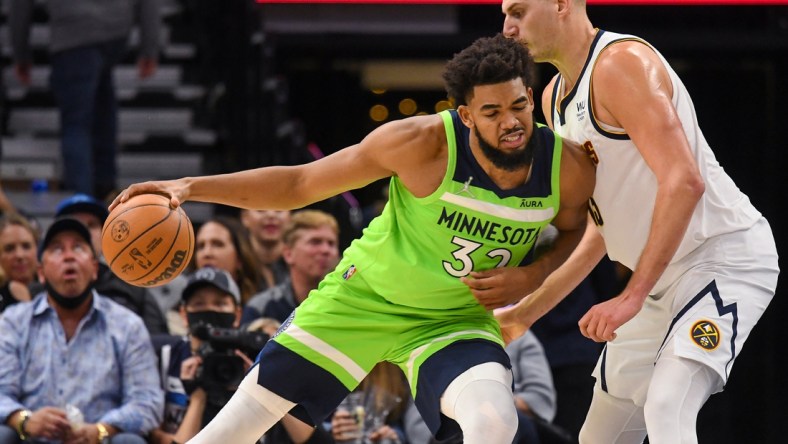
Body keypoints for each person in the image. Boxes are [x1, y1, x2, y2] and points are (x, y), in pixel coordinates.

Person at [111, 34, 596, 444]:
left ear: (531, 99)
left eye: (518, 105)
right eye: (492, 111)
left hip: (452, 320)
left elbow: (579, 230)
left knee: (493, 422)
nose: (511, 122)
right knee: (228, 434)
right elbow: (300, 184)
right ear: (465, 115)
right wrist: (190, 187)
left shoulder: (566, 169)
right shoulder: (419, 144)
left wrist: (533, 273)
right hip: (362, 300)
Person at [497, 2, 780, 443]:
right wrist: (524, 314)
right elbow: (600, 227)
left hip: (722, 259)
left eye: (517, 10)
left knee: (667, 406)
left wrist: (630, 296)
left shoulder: (621, 63)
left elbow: (684, 181)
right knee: (599, 437)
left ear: (560, 4)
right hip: (657, 279)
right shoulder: (553, 98)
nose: (507, 27)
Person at [0, 217, 164, 443]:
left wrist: (100, 430)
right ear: (41, 272)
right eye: (57, 249)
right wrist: (24, 420)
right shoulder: (13, 322)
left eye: (78, 247)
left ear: (95, 268)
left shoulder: (127, 325)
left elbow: (148, 402)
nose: (69, 256)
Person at [151, 266, 324, 444]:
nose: (210, 310)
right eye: (199, 304)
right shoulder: (164, 356)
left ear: (237, 314)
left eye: (220, 303)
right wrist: (197, 397)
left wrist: (263, 385)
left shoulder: (253, 354)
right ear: (183, 313)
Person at [8, 0, 161, 198]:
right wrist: (150, 45)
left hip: (73, 32)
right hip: (115, 30)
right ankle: (106, 190)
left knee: (76, 124)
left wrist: (20, 52)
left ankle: (82, 203)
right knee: (102, 103)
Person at [56, 193, 169, 334]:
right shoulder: (41, 290)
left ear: (105, 234)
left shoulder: (133, 285)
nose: (84, 231)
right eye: (76, 225)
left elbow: (157, 342)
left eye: (92, 225)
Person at [241, 209, 340, 325]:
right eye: (315, 242)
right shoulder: (262, 308)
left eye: (331, 244)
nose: (325, 250)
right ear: (288, 254)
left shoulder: (348, 305)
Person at [193, 216, 263, 306]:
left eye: (217, 244)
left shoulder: (260, 308)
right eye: (201, 246)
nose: (206, 253)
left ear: (240, 258)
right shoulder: (179, 304)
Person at [240, 209, 292, 291]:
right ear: (245, 217)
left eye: (279, 209)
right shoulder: (236, 262)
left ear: (290, 217)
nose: (271, 215)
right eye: (261, 209)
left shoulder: (302, 262)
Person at [0, 213, 42, 312]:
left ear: (37, 249)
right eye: (9, 249)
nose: (19, 255)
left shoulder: (55, 291)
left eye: (26, 246)